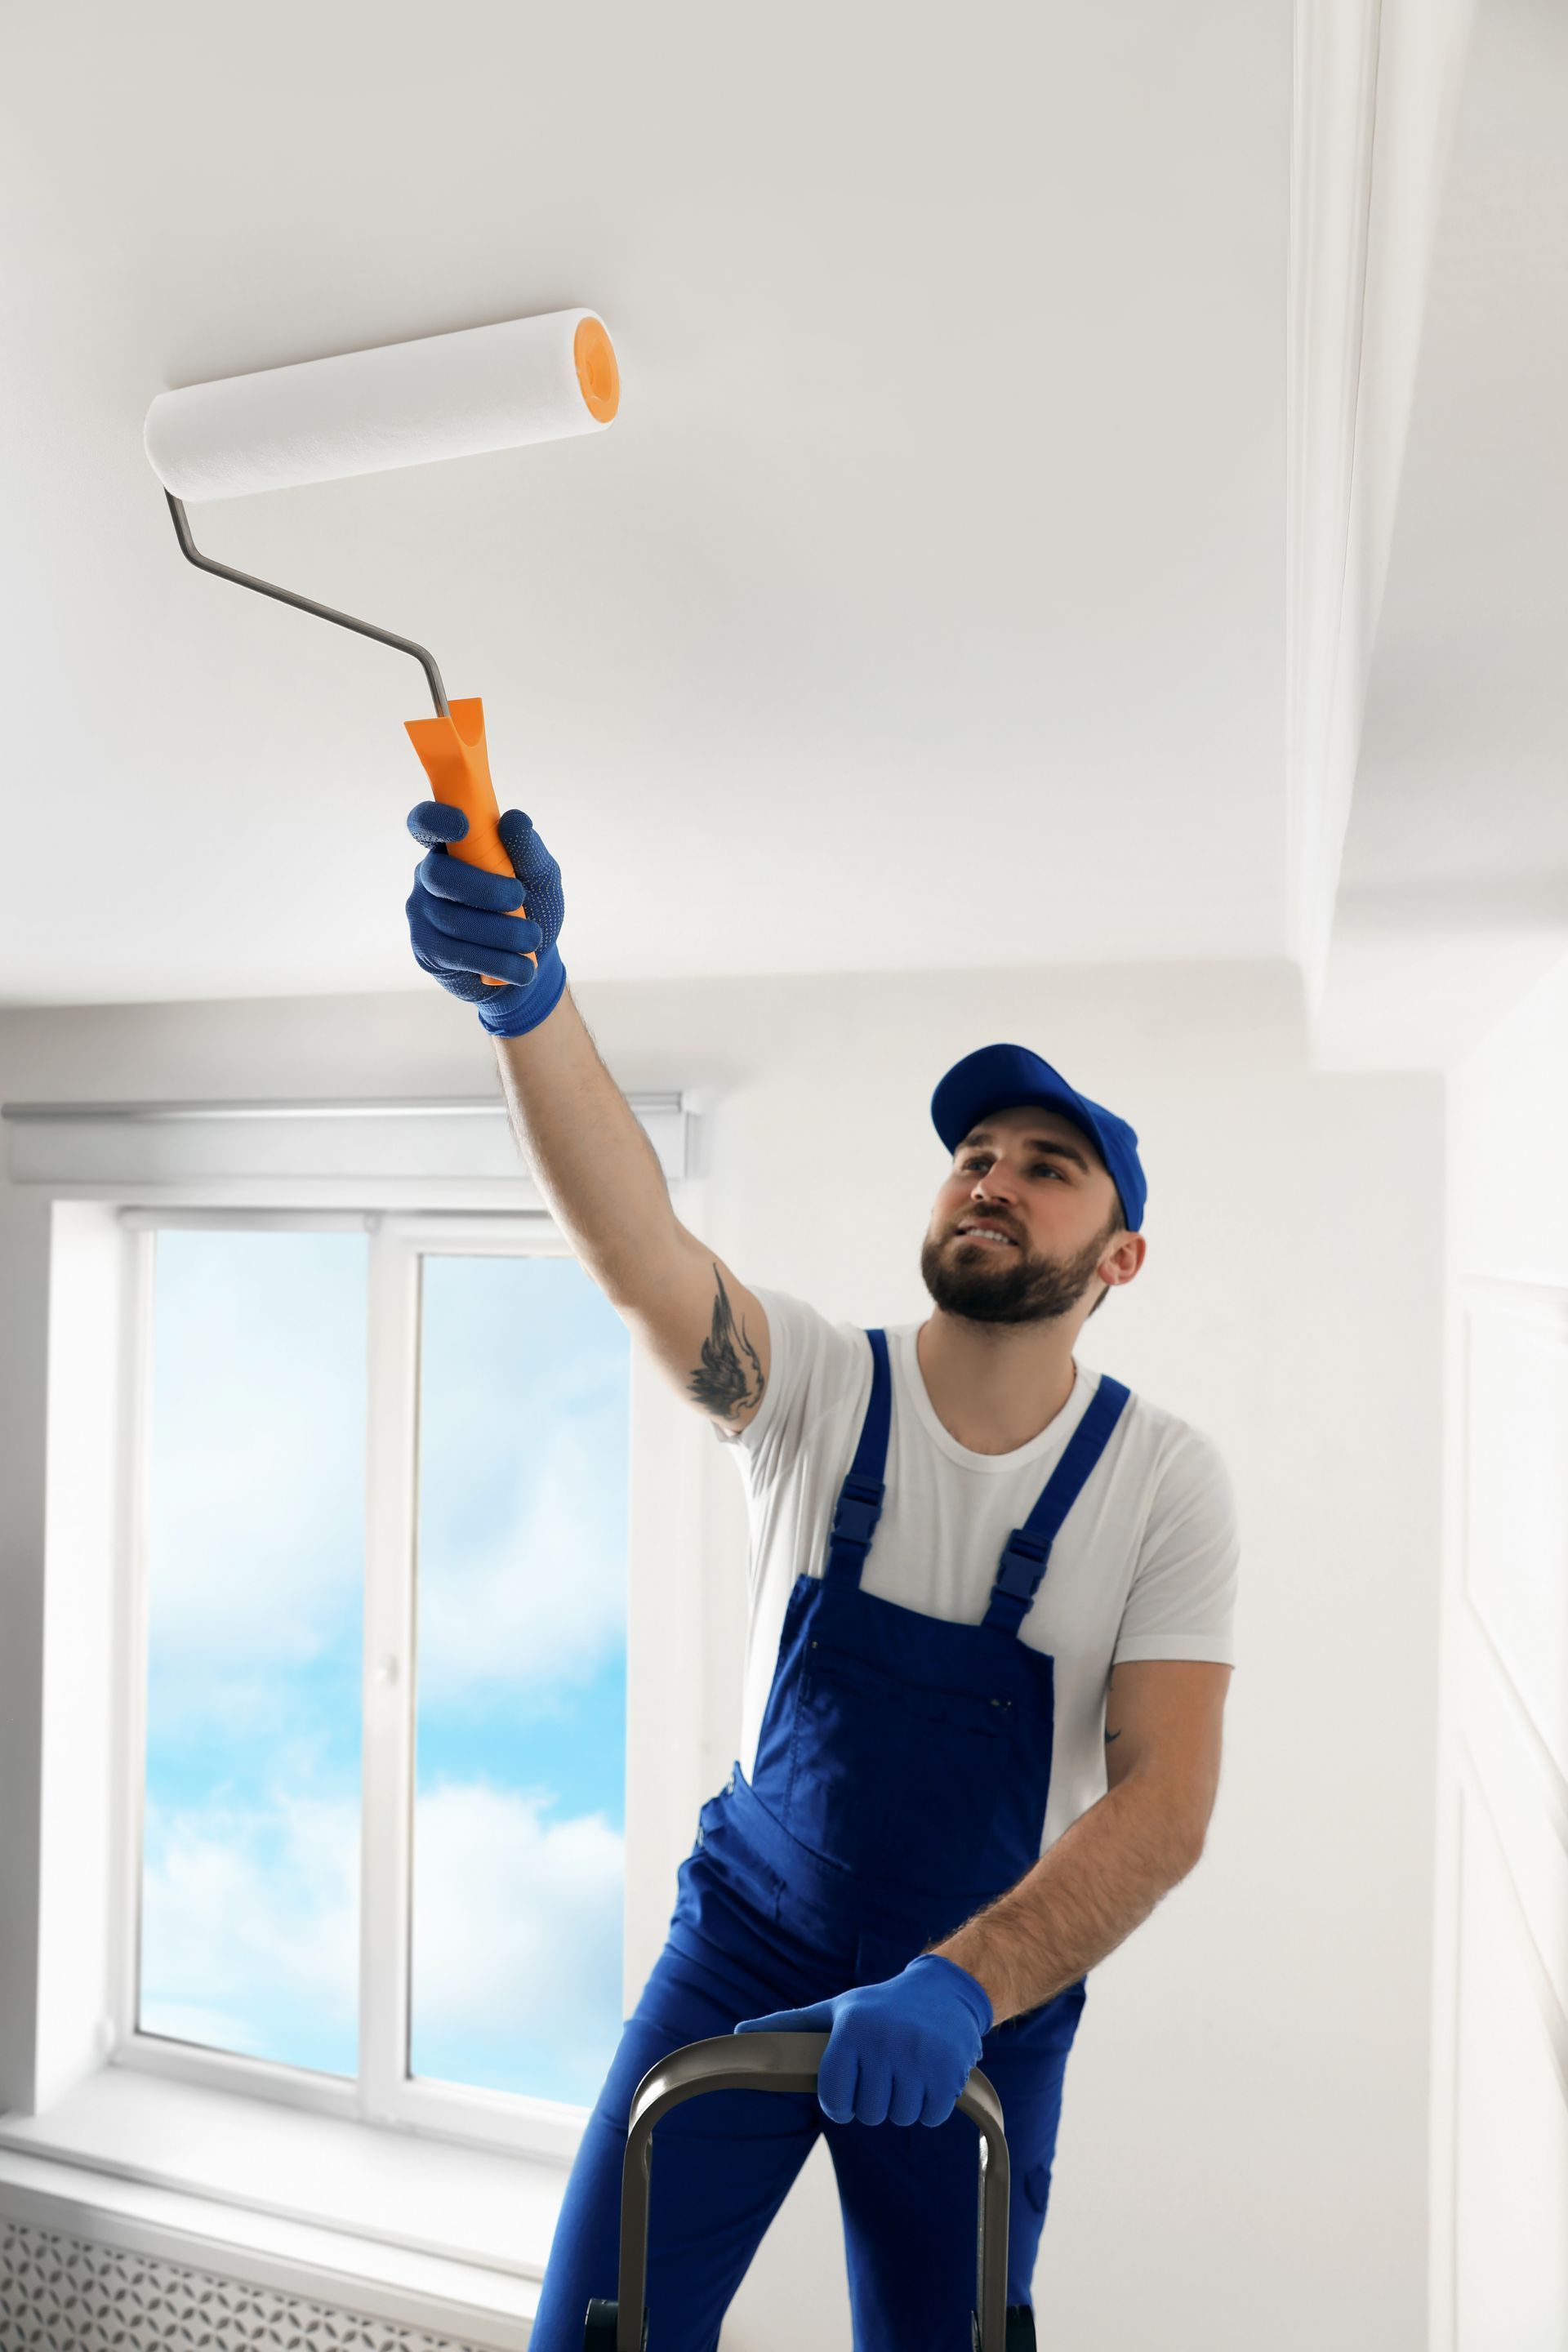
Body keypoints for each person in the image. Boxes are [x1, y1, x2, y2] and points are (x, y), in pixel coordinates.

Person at [405, 800, 1237, 2352]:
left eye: (1048, 1169)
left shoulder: (1164, 1482)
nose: (992, 1179)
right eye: (975, 1155)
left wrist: (965, 1985)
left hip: (978, 1995)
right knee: (598, 2334)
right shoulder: (809, 1389)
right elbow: (640, 1244)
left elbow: (1166, 1808)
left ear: (1119, 1257)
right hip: (745, 1942)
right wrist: (530, 1005)